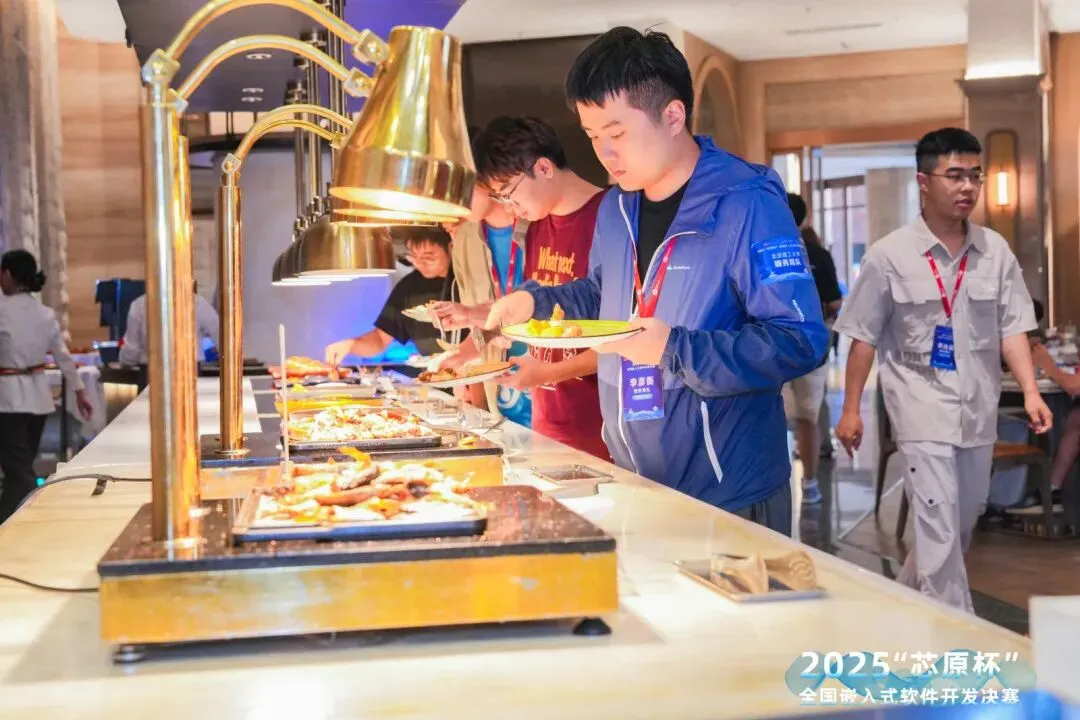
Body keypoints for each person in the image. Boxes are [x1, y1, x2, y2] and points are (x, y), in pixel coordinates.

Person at [484, 28, 829, 534]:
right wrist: (534, 302)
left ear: (672, 116)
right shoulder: (618, 206)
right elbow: (604, 293)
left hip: (729, 491)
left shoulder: (746, 202)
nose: (603, 153)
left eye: (617, 133)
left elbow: (799, 340)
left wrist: (674, 349)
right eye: (592, 136)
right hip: (637, 480)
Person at [833, 127, 1052, 612]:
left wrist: (1031, 392)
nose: (968, 186)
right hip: (920, 411)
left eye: (975, 175)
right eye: (955, 175)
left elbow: (1014, 328)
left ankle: (901, 609)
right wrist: (850, 410)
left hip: (977, 411)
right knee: (938, 528)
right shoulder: (888, 256)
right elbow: (863, 338)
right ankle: (956, 638)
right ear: (924, 182)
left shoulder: (995, 251)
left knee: (960, 524)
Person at [437, 116, 608, 458]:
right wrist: (468, 351)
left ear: (543, 167)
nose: (511, 208)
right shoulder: (537, 227)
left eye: (509, 195)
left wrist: (547, 373)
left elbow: (618, 341)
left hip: (596, 427)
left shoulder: (609, 218)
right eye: (500, 199)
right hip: (546, 422)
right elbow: (520, 317)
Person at [0, 250, 93, 522]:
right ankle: (9, 523)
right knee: (20, 468)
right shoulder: (45, 314)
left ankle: (36, 517)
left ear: (8, 274)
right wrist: (80, 391)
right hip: (38, 401)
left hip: (8, 400)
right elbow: (63, 356)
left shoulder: (2, 311)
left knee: (19, 472)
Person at [435, 175, 534, 429]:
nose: (454, 200)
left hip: (550, 387)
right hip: (502, 403)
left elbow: (559, 312)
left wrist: (470, 313)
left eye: (460, 186)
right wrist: (463, 355)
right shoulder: (465, 240)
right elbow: (485, 330)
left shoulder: (537, 218)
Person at [783, 193, 843, 504]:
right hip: (811, 346)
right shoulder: (817, 254)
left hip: (772, 347)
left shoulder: (760, 250)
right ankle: (809, 483)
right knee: (808, 416)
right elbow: (835, 302)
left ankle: (778, 484)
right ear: (803, 219)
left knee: (773, 415)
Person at [325, 228, 457, 364]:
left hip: (469, 370)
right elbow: (380, 339)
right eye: (413, 256)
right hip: (435, 373)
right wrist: (350, 345)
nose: (419, 263)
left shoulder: (463, 282)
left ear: (451, 248)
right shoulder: (409, 287)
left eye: (428, 257)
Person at [120, 282, 220, 366]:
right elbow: (220, 336)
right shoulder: (197, 302)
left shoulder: (139, 304)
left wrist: (126, 362)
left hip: (151, 372)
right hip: (189, 371)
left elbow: (132, 347)